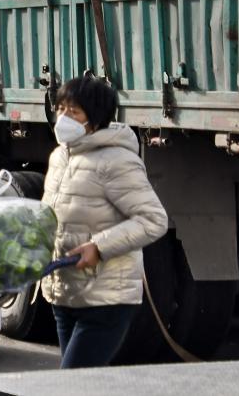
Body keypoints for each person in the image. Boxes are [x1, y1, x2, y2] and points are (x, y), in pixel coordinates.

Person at [41, 75, 168, 369]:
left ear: (96, 118)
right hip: (65, 292)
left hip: (105, 298)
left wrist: (98, 247)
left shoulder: (117, 161)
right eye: (60, 109)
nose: (63, 117)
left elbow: (153, 219)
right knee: (77, 386)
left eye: (74, 112)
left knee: (72, 386)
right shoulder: (60, 157)